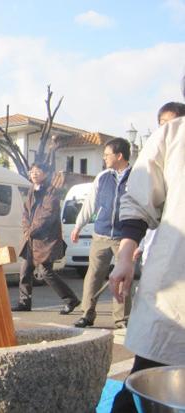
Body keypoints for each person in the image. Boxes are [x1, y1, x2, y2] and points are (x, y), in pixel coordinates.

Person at [108, 81, 185, 413]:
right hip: (176, 284)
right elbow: (140, 199)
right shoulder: (173, 135)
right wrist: (125, 256)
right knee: (147, 381)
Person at [71, 138, 132, 329]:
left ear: (119, 155)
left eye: (107, 154)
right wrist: (78, 226)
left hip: (124, 238)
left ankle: (121, 320)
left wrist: (141, 242)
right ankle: (87, 314)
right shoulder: (103, 176)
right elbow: (90, 203)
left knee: (121, 279)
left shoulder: (137, 177)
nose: (104, 158)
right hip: (101, 234)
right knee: (93, 276)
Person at [11, 163, 80, 314]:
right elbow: (26, 213)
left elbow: (47, 215)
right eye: (32, 171)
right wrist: (27, 229)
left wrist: (31, 230)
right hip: (31, 239)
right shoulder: (31, 190)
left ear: (45, 174)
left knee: (45, 272)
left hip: (45, 240)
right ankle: (24, 302)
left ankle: (70, 299)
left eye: (38, 171)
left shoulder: (51, 192)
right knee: (25, 271)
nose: (34, 174)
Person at [132, 102, 185, 266]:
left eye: (173, 124)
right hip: (159, 250)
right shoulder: (152, 165)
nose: (166, 130)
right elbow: (143, 205)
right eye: (162, 125)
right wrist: (137, 245)